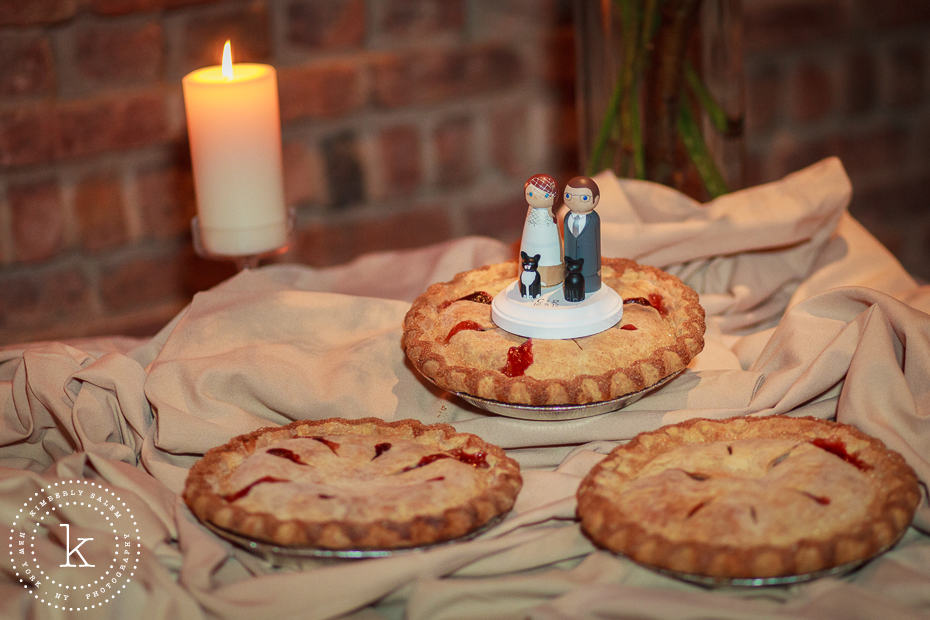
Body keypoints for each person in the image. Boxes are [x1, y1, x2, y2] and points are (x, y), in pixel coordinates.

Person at [520, 174, 563, 287]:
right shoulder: (530, 213)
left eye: (544, 195)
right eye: (530, 194)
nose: (535, 197)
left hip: (551, 257)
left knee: (550, 253)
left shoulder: (551, 217)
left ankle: (551, 277)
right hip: (527, 262)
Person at [562, 175, 601, 296]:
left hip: (590, 266)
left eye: (584, 198)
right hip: (570, 267)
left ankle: (589, 284)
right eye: (568, 196)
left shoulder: (593, 219)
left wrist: (595, 269)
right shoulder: (567, 217)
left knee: (589, 285)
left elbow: (596, 243)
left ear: (596, 199)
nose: (574, 201)